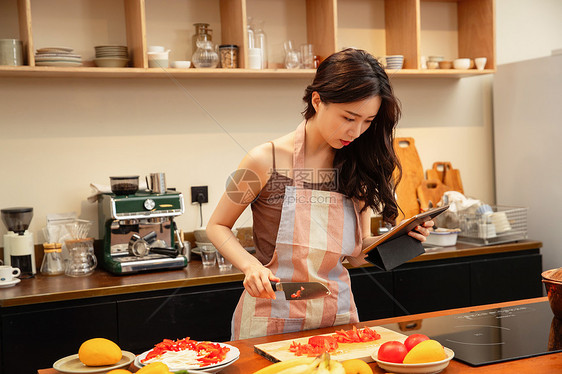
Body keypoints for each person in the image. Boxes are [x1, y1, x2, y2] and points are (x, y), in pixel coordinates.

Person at [206, 48, 433, 340]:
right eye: (349, 117)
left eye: (367, 121)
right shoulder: (263, 160)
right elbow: (217, 225)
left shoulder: (357, 166)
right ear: (317, 101)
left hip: (336, 318)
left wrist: (401, 237)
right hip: (271, 317)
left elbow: (359, 254)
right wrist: (250, 266)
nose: (356, 131)